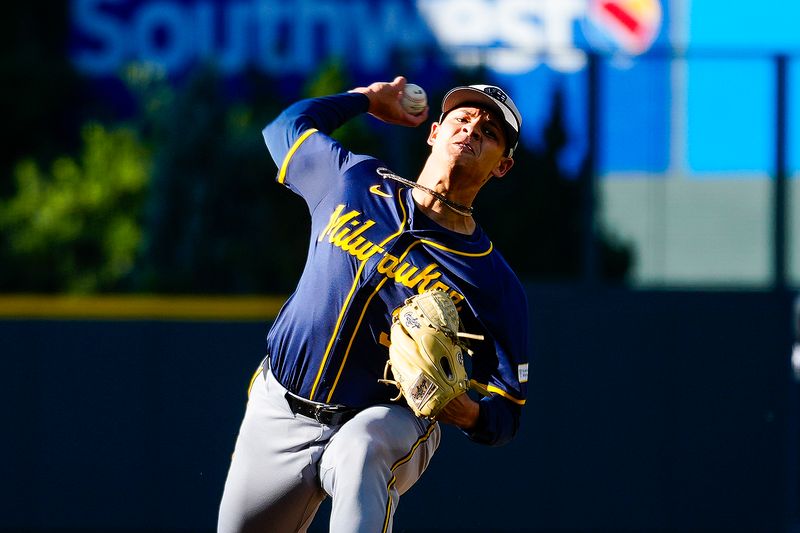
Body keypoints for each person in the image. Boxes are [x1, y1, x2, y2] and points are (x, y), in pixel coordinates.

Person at [218, 76, 529, 533]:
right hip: (281, 408)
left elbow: (507, 411)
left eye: (489, 133)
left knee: (362, 446)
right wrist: (364, 99)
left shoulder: (492, 280)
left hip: (388, 420)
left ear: (502, 166)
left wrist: (465, 410)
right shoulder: (354, 179)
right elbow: (284, 128)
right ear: (434, 132)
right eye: (462, 118)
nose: (473, 129)